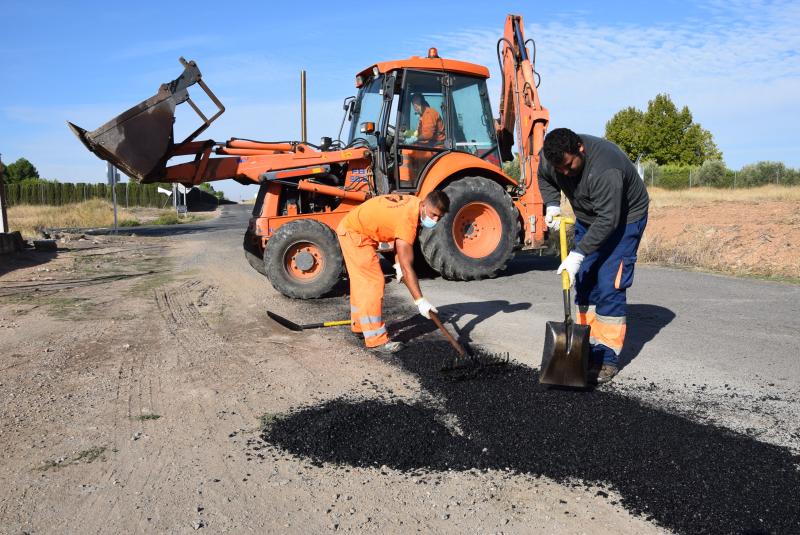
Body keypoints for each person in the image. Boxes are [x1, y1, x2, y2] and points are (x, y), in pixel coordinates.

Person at [538, 128, 650, 384]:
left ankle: (606, 357)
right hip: (589, 218)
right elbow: (544, 177)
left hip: (623, 220)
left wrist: (578, 253)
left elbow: (609, 220)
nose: (565, 172)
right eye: (560, 169)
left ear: (580, 148)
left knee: (610, 282)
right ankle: (584, 344)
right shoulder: (551, 159)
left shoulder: (605, 169)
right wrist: (552, 203)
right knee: (586, 281)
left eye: (569, 165)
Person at [336, 191, 450, 354]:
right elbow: (407, 265)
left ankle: (361, 326)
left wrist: (396, 263)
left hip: (352, 228)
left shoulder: (414, 203)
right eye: (433, 215)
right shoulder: (407, 219)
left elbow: (396, 237)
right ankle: (376, 339)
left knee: (362, 282)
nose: (435, 220)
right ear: (424, 205)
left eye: (439, 217)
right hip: (354, 233)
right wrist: (420, 300)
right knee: (372, 283)